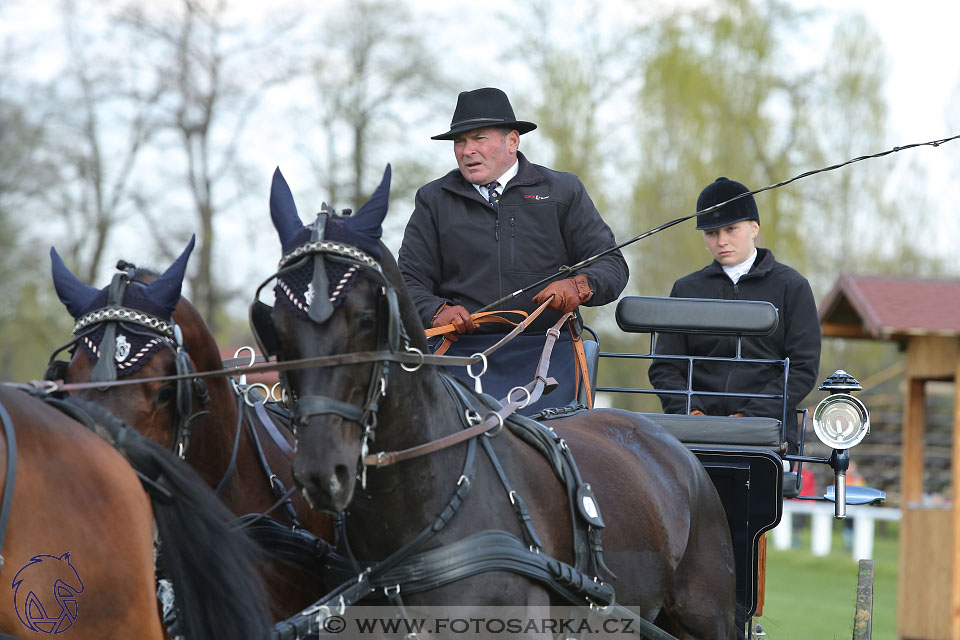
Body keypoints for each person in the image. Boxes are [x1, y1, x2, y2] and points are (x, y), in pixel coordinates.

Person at [398, 87, 628, 415]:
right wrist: (436, 311)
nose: (467, 151)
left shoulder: (564, 191)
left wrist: (578, 286)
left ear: (512, 141)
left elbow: (612, 265)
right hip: (461, 354)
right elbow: (406, 280)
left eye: (478, 138)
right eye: (459, 142)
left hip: (549, 348)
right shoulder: (433, 199)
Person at [647, 177, 821, 453]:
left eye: (731, 229)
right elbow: (666, 366)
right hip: (693, 435)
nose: (722, 241)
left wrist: (748, 417)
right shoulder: (686, 288)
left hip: (768, 433)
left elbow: (802, 368)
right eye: (711, 233)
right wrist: (690, 413)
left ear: (754, 228)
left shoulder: (792, 286)